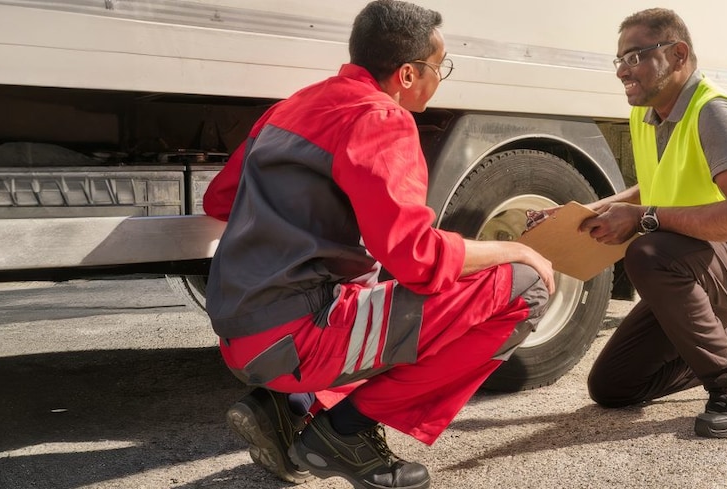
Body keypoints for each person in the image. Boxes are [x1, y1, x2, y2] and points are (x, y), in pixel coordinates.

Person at [201, 1, 554, 487]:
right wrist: (515, 249)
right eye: (440, 67)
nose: (440, 78)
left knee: (374, 283)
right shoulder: (381, 118)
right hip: (299, 338)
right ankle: (343, 433)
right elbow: (418, 259)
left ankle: (284, 407)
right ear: (408, 74)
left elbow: (218, 199)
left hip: (239, 336)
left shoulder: (292, 106)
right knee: (526, 286)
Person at [581, 8, 727, 438]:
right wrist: (583, 213)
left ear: (678, 54)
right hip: (702, 258)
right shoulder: (647, 114)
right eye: (619, 60)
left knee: (647, 252)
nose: (622, 71)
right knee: (614, 386)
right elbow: (652, 188)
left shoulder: (714, 113)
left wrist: (643, 220)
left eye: (634, 57)